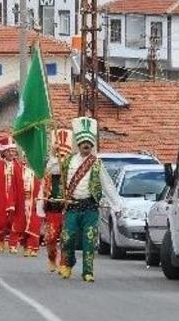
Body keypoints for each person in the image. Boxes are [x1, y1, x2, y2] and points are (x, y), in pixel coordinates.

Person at [59, 117, 123, 282]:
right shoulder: (67, 161)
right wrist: (54, 155)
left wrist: (116, 206)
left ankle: (88, 271)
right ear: (78, 145)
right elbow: (53, 172)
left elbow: (107, 185)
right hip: (72, 206)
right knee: (67, 238)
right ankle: (68, 263)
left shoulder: (96, 164)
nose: (86, 146)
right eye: (83, 143)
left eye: (89, 143)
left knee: (89, 239)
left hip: (90, 207)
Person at [0, 136, 25, 253]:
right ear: (5, 152)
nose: (12, 153)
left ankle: (13, 244)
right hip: (1, 197)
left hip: (15, 197)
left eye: (14, 151)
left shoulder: (19, 166)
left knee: (15, 220)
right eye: (10, 151)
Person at [40, 129, 72, 273]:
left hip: (67, 208)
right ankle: (52, 258)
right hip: (52, 207)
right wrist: (54, 155)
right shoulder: (50, 166)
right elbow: (52, 170)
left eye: (63, 154)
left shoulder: (72, 167)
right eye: (60, 154)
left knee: (66, 239)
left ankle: (64, 264)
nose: (62, 157)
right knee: (51, 237)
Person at [21, 154, 43, 257]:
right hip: (24, 202)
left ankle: (33, 247)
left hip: (36, 201)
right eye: (27, 157)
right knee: (24, 224)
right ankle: (26, 246)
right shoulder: (21, 170)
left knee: (34, 224)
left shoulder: (40, 171)